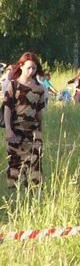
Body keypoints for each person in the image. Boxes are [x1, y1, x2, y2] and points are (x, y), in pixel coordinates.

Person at [3, 52, 46, 190]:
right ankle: (14, 195)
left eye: (34, 68)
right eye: (29, 67)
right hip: (16, 131)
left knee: (35, 165)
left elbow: (39, 112)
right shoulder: (13, 85)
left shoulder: (39, 88)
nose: (31, 71)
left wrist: (41, 132)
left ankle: (33, 194)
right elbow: (7, 109)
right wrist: (9, 130)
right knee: (15, 165)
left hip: (33, 132)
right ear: (21, 66)